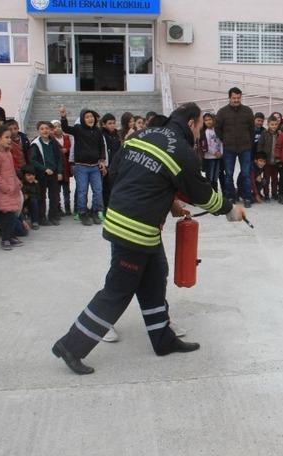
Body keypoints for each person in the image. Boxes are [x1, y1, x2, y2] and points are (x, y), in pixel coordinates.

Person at [51, 102, 246, 375]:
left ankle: (162, 339)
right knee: (118, 290)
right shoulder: (181, 150)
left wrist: (168, 203)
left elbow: (123, 174)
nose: (201, 130)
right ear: (191, 123)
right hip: (135, 230)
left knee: (156, 276)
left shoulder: (141, 136)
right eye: (201, 124)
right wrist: (228, 210)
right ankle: (71, 346)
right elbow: (200, 192)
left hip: (126, 219)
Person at [59, 106, 105, 226]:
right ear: (82, 119)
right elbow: (65, 128)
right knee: (82, 191)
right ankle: (82, 213)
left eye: (92, 117)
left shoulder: (98, 131)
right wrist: (63, 117)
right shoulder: (78, 129)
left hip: (95, 167)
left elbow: (101, 147)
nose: (90, 119)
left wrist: (102, 160)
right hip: (81, 167)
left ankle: (96, 212)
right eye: (87, 117)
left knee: (98, 190)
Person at [215, 87, 255, 207]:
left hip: (245, 148)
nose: (236, 100)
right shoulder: (222, 112)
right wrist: (225, 140)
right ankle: (230, 197)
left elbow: (252, 129)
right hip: (229, 148)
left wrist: (249, 141)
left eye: (238, 98)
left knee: (246, 173)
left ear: (241, 97)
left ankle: (247, 197)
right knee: (229, 174)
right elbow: (217, 129)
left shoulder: (248, 111)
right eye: (234, 98)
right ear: (229, 97)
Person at [0, 125, 23, 251]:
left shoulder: (7, 152)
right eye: (6, 137)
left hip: (12, 188)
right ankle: (5, 238)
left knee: (12, 213)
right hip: (3, 190)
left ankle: (11, 236)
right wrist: (5, 187)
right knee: (6, 214)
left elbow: (12, 171)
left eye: (10, 137)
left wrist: (17, 181)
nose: (9, 140)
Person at [29, 121, 63, 226]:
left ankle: (53, 216)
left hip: (53, 173)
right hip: (42, 174)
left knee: (54, 196)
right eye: (42, 128)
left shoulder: (53, 142)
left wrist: (59, 171)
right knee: (41, 196)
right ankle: (42, 217)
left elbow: (59, 158)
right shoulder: (35, 144)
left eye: (47, 128)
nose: (45, 130)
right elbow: (33, 160)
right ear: (38, 131)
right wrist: (44, 169)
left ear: (50, 130)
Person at [51, 120, 73, 215]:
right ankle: (58, 207)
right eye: (55, 127)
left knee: (66, 189)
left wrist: (67, 150)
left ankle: (67, 206)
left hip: (66, 167)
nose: (57, 128)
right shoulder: (52, 139)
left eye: (59, 126)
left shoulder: (67, 137)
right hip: (57, 168)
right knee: (57, 190)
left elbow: (71, 149)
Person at [100, 113, 121, 209]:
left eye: (113, 123)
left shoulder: (117, 135)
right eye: (109, 123)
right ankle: (105, 207)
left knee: (115, 188)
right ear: (104, 124)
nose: (112, 125)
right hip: (107, 165)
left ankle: (114, 207)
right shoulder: (102, 135)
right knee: (106, 188)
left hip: (116, 165)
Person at [257, 116, 279, 199]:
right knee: (266, 178)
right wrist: (261, 158)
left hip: (276, 161)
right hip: (267, 161)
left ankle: (274, 193)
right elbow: (260, 145)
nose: (274, 126)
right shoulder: (264, 133)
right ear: (268, 124)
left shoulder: (279, 134)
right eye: (272, 124)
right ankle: (266, 194)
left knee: (275, 179)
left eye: (275, 124)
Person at [199, 113, 223, 190]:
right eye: (206, 120)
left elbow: (220, 142)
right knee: (210, 177)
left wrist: (221, 152)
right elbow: (206, 145)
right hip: (209, 158)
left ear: (213, 120)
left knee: (215, 177)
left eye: (210, 119)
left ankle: (215, 192)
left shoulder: (216, 130)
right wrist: (214, 152)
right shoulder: (205, 132)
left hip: (218, 157)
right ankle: (209, 193)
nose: (208, 122)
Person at [20, 165, 41, 230]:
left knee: (34, 201)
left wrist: (29, 196)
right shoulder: (21, 184)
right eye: (28, 175)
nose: (31, 177)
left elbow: (38, 195)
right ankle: (22, 220)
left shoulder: (36, 183)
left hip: (31, 201)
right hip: (22, 203)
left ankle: (35, 221)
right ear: (24, 176)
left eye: (33, 175)